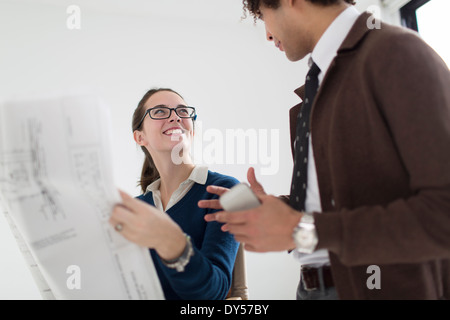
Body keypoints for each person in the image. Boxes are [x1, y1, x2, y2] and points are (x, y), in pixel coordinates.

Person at [202, 0, 450, 299]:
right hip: (311, 288)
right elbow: (340, 205)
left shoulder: (396, 52)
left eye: (263, 15)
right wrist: (279, 211)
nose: (267, 34)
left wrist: (301, 229)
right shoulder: (317, 86)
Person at [110, 88, 240, 300]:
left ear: (193, 131)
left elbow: (214, 293)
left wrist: (172, 243)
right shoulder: (135, 210)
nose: (175, 116)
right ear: (140, 137)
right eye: (160, 112)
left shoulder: (223, 191)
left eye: (182, 111)